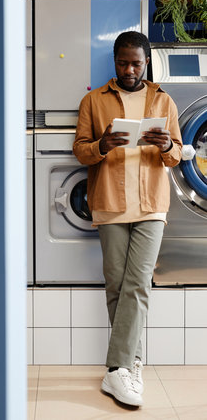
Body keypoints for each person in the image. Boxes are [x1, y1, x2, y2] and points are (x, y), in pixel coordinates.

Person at [73, 31, 182, 407]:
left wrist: (167, 145)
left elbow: (177, 154)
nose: (130, 69)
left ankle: (118, 368)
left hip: (151, 204)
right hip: (109, 202)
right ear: (114, 62)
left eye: (136, 62)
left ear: (146, 62)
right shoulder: (93, 100)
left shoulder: (162, 99)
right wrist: (101, 146)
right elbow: (80, 151)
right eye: (123, 62)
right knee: (117, 286)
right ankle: (130, 365)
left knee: (137, 283)